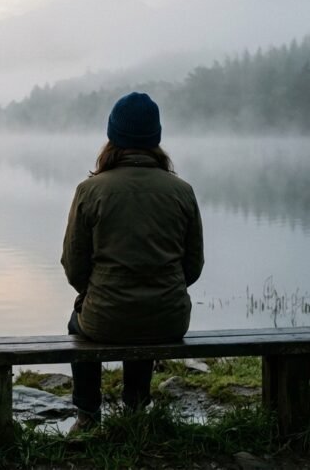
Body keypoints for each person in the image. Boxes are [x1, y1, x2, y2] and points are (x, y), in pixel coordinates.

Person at [61, 91, 204, 431]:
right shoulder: (182, 191)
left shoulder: (90, 190)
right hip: (169, 320)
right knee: (145, 315)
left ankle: (87, 414)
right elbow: (193, 266)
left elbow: (74, 265)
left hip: (105, 318)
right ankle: (136, 408)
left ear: (113, 138)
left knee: (77, 325)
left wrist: (93, 291)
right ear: (156, 139)